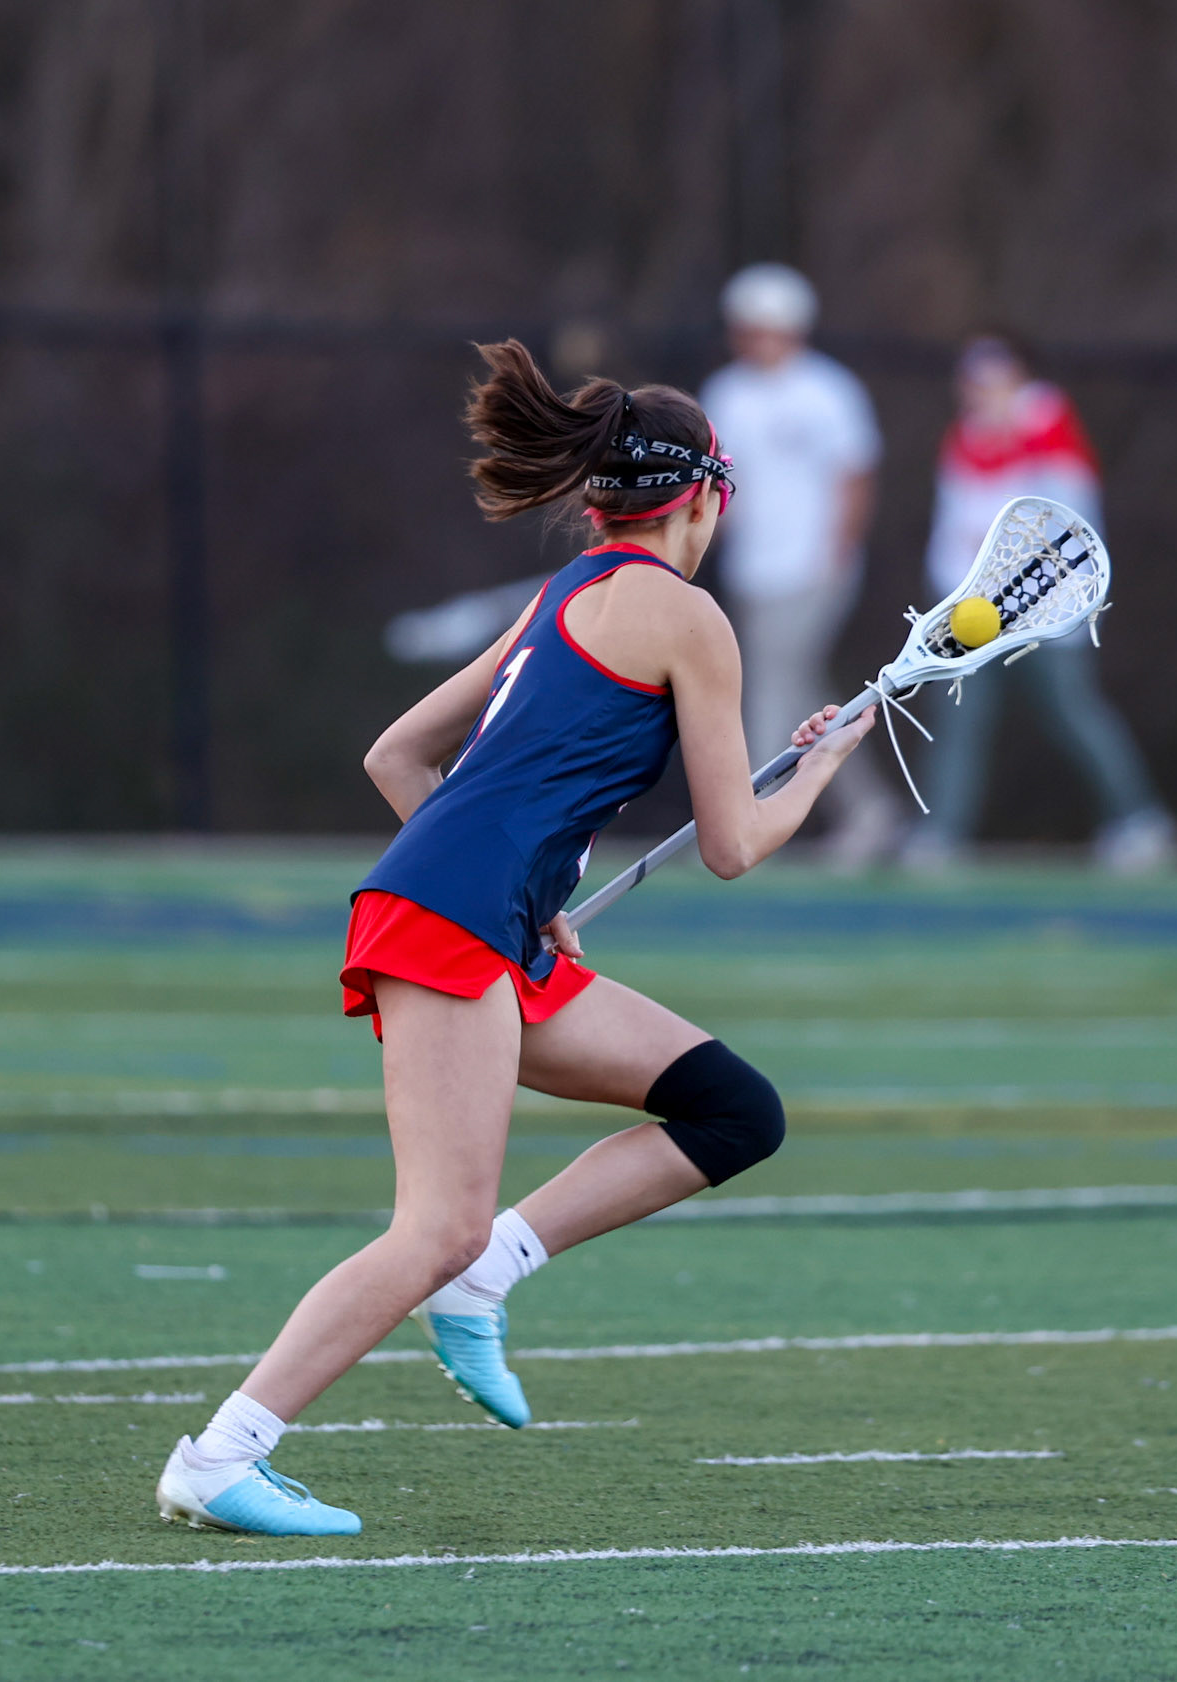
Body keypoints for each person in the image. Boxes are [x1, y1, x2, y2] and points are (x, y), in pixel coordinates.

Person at [154, 340, 876, 1537]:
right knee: (435, 1226)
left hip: (483, 925)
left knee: (732, 1111)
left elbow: (397, 755)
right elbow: (734, 842)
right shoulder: (691, 617)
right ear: (703, 497)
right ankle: (221, 1454)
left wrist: (525, 890)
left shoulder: (562, 596)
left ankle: (495, 1270)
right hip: (450, 927)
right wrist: (823, 764)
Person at [908, 333, 1177, 874]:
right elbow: (954, 530)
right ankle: (940, 835)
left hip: (1044, 604)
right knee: (959, 715)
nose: (981, 393)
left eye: (994, 381)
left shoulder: (1047, 424)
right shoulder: (964, 437)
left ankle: (1141, 821)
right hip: (973, 609)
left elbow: (1064, 518)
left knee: (1072, 713)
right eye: (973, 382)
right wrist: (949, 600)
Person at [700, 264, 899, 869]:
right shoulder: (725, 392)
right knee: (796, 687)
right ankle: (870, 812)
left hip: (812, 569)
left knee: (770, 682)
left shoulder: (828, 391)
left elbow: (855, 476)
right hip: (753, 571)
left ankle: (752, 813)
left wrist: (837, 554)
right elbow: (722, 486)